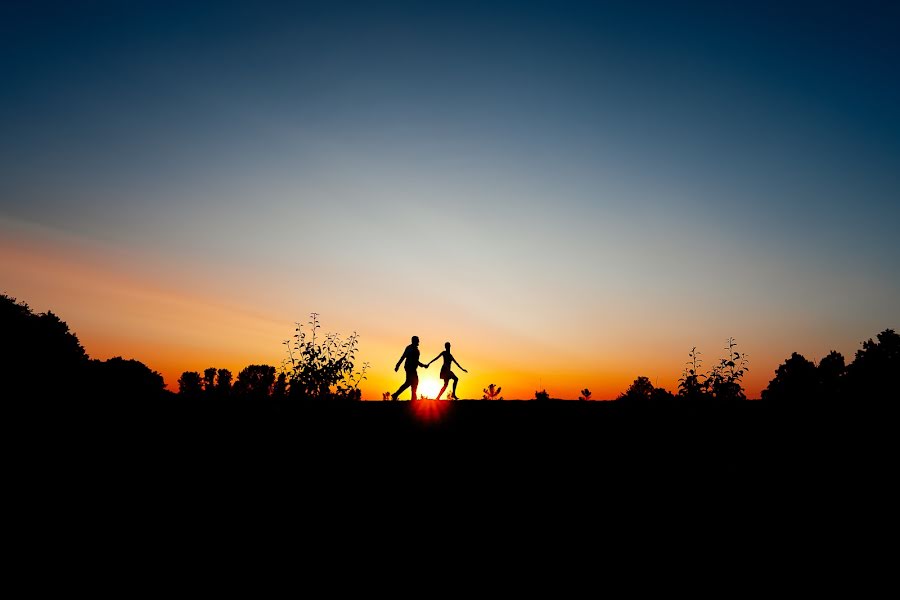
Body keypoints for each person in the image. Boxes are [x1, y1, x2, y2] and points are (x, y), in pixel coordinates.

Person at [392, 335, 428, 400]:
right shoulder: (409, 348)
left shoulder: (417, 350)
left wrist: (423, 365)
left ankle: (397, 395)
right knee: (414, 381)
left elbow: (416, 361)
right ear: (414, 341)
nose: (418, 342)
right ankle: (413, 397)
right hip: (409, 367)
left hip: (413, 368)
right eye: (417, 340)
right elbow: (403, 357)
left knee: (410, 382)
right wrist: (397, 365)